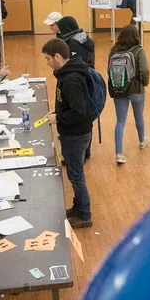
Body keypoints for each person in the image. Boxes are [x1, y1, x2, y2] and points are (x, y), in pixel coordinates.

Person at [42, 38, 93, 228]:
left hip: (76, 134)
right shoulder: (67, 74)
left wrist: (59, 119)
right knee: (74, 173)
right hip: (74, 132)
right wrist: (58, 113)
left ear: (57, 56)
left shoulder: (70, 79)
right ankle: (78, 207)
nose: (47, 62)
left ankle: (85, 214)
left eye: (48, 59)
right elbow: (70, 105)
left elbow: (79, 111)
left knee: (76, 175)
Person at [107, 25, 149, 165]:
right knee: (139, 116)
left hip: (119, 90)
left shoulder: (113, 51)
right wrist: (145, 83)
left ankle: (119, 153)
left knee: (120, 121)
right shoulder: (138, 51)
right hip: (136, 90)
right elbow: (144, 71)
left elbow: (109, 70)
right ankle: (142, 140)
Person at [56, 15, 96, 160]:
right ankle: (87, 150)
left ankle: (81, 152)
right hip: (88, 80)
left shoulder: (73, 44)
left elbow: (71, 65)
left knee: (78, 113)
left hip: (77, 83)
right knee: (87, 115)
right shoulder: (84, 37)